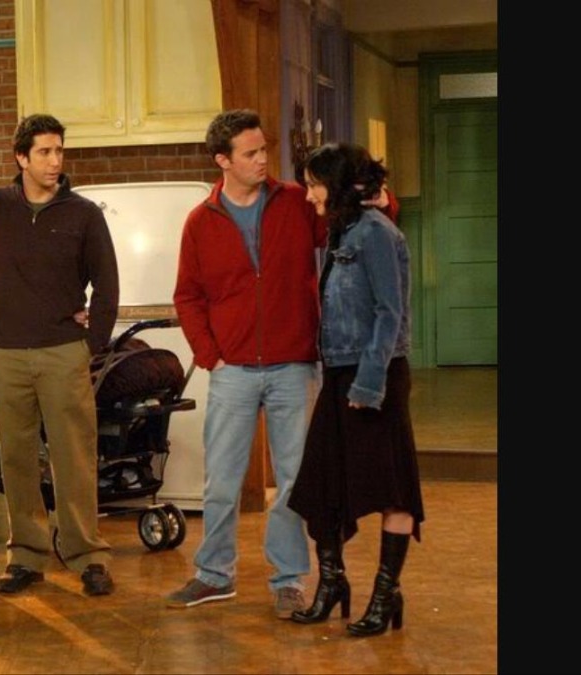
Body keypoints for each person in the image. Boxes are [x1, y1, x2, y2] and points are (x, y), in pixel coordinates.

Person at [167, 109, 397, 618]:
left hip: (294, 364)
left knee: (293, 481)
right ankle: (213, 574)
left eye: (263, 150)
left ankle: (289, 580)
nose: (261, 160)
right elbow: (188, 295)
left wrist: (382, 201)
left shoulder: (295, 201)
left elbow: (354, 224)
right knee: (221, 479)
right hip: (232, 370)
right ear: (223, 160)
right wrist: (210, 355)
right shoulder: (201, 221)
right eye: (250, 153)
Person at [287, 142, 422, 637]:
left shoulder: (377, 233)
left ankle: (386, 594)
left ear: (338, 185)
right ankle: (333, 583)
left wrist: (369, 382)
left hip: (375, 375)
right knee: (319, 486)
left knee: (392, 490)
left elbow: (390, 313)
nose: (308, 195)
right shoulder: (342, 230)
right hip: (340, 373)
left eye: (314, 185)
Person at [0, 113, 120, 597]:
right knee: (16, 459)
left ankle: (88, 555)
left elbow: (107, 285)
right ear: (21, 157)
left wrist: (90, 344)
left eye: (59, 150)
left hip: (64, 351)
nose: (54, 160)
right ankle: (25, 555)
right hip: (6, 352)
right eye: (44, 151)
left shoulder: (84, 214)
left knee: (74, 456)